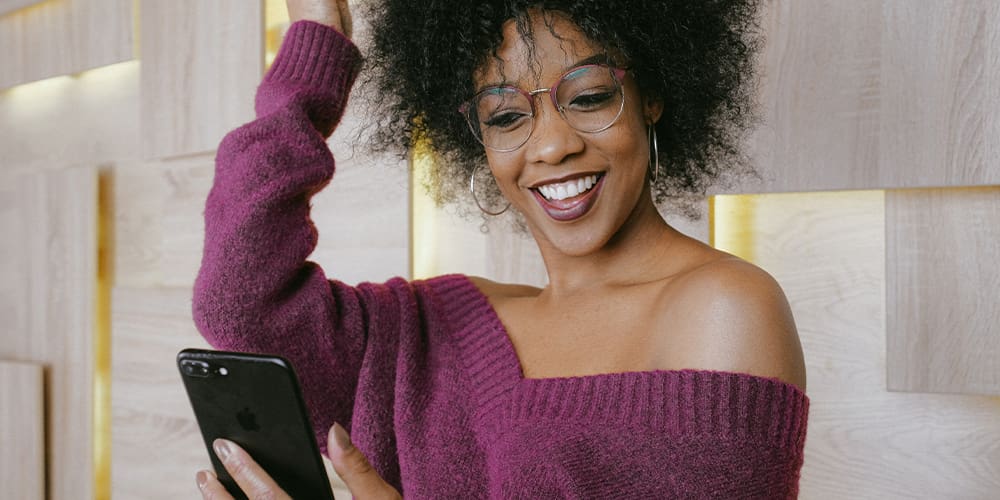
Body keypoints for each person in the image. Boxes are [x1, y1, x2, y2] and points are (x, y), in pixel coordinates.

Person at [192, 0, 809, 497]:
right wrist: (312, 56)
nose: (550, 146)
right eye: (506, 116)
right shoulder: (424, 335)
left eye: (590, 96)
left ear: (653, 93)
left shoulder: (724, 307)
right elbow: (239, 300)